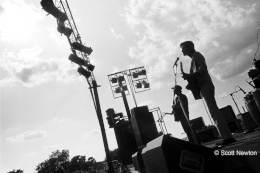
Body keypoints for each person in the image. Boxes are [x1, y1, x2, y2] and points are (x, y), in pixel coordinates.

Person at [180, 41, 236, 145]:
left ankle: (228, 137)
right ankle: (227, 136)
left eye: (183, 48)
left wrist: (189, 76)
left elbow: (202, 70)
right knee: (213, 111)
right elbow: (197, 75)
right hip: (204, 86)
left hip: (205, 86)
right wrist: (190, 78)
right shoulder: (194, 58)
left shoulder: (197, 56)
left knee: (214, 111)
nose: (182, 51)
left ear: (189, 47)